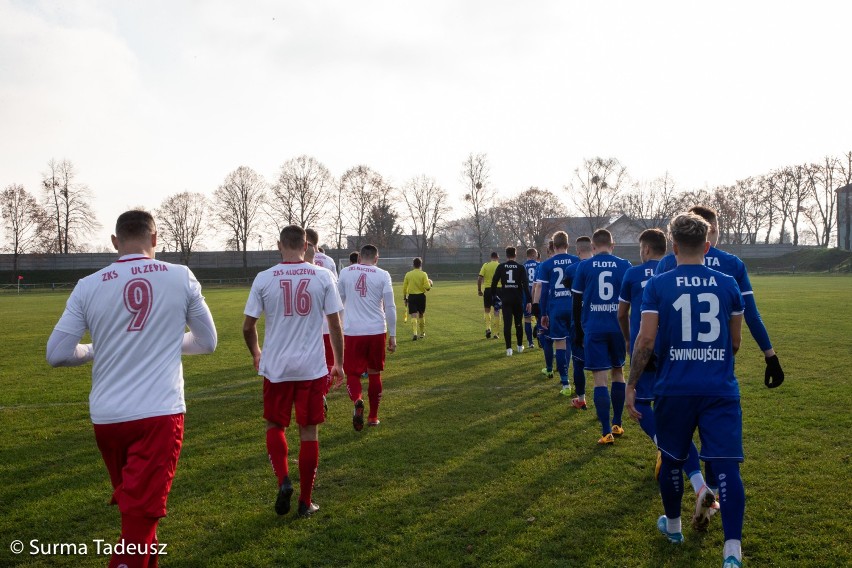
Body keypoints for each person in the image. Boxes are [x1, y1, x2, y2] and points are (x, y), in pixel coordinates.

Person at [46, 210, 218, 567]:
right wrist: (166, 341)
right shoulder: (180, 276)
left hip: (108, 420)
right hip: (158, 414)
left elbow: (57, 354)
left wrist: (96, 348)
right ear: (155, 239)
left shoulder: (88, 284)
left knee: (137, 515)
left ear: (115, 242)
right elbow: (207, 342)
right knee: (139, 525)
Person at [626, 213, 746, 568]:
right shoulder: (728, 284)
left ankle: (674, 528)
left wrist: (632, 385)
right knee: (726, 468)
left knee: (673, 461)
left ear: (673, 246)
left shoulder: (658, 285)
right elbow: (735, 343)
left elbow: (646, 340)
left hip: (673, 389)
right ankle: (732, 553)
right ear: (707, 246)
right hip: (719, 389)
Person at [655, 205, 784, 513]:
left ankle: (694, 495)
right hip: (718, 363)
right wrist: (770, 355)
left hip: (676, 367)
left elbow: (655, 321)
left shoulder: (667, 263)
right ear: (714, 231)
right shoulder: (730, 264)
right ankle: (711, 489)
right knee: (718, 436)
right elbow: (750, 314)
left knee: (677, 438)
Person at [243, 225, 344, 519]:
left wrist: (256, 353)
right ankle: (305, 501)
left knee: (275, 425)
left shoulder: (264, 278)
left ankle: (283, 481)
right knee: (309, 431)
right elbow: (335, 325)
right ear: (306, 245)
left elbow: (248, 327)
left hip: (276, 367)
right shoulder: (323, 275)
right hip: (312, 366)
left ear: (279, 245)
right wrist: (337, 363)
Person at [617, 229, 713, 515]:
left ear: (646, 249)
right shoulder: (676, 270)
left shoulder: (635, 275)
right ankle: (698, 485)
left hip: (648, 352)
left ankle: (670, 452)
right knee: (675, 418)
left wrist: (627, 340)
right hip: (677, 353)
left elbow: (622, 314)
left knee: (644, 409)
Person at [571, 229, 632, 444]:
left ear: (593, 247)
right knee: (618, 372)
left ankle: (606, 431)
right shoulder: (625, 265)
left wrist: (578, 331)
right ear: (613, 245)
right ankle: (617, 424)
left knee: (599, 380)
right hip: (617, 326)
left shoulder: (584, 266)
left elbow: (576, 302)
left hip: (594, 328)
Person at [337, 244, 397, 430]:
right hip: (377, 330)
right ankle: (373, 416)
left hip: (352, 331)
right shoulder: (383, 274)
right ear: (376, 259)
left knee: (353, 374)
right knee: (374, 373)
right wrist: (393, 335)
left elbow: (338, 303)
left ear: (360, 257)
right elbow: (390, 306)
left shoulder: (346, 272)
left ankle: (357, 400)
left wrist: (338, 328)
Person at [537, 231, 581, 394]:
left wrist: (543, 313)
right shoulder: (576, 261)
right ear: (568, 245)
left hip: (556, 308)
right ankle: (578, 382)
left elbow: (543, 289)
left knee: (560, 343)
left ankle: (565, 383)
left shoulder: (546, 264)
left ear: (553, 246)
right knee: (572, 343)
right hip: (573, 307)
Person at [561, 236, 593, 409]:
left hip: (579, 319)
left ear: (577, 250)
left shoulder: (573, 268)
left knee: (579, 362)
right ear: (593, 248)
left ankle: (581, 398)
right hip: (599, 319)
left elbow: (568, 286)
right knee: (607, 367)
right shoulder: (598, 265)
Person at [490, 246, 533, 356]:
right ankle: (519, 346)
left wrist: (494, 296)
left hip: (506, 299)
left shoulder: (501, 266)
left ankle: (508, 349)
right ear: (515, 254)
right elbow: (525, 285)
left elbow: (494, 282)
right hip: (518, 299)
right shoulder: (520, 267)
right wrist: (529, 300)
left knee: (507, 324)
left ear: (506, 255)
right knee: (518, 323)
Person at [402, 257, 432, 341]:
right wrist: (430, 283)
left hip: (411, 297)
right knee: (421, 314)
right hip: (421, 297)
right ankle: (422, 333)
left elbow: (404, 287)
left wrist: (405, 297)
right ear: (420, 265)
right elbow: (427, 288)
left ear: (413, 265)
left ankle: (415, 333)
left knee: (413, 315)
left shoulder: (408, 274)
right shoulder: (423, 274)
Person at [477, 252, 501, 339]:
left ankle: (488, 328)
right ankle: (496, 333)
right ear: (498, 257)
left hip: (488, 289)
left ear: (491, 257)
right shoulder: (500, 266)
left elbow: (479, 278)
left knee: (487, 310)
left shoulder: (486, 265)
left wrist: (479, 290)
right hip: (498, 290)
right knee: (497, 311)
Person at [522, 248, 539, 349]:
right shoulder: (539, 265)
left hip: (526, 295)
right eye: (536, 254)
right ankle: (540, 338)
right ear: (533, 255)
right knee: (539, 316)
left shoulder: (523, 266)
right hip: (537, 293)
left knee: (527, 319)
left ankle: (530, 342)